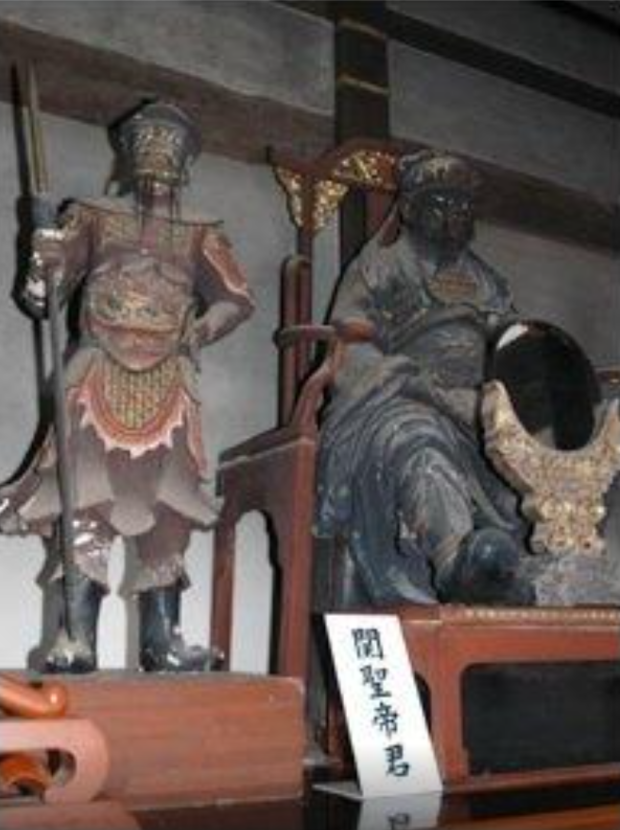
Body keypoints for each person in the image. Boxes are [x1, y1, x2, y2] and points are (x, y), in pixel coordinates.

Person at [0, 101, 254, 672]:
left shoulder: (201, 231)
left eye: (169, 156)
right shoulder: (91, 215)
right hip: (96, 369)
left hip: (171, 379)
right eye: (148, 152)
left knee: (170, 504)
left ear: (184, 165)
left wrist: (200, 328)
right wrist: (42, 263)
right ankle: (76, 635)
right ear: (128, 160)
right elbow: (44, 297)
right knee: (83, 497)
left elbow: (236, 299)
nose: (157, 170)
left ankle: (162, 640)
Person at [316, 149, 535, 607]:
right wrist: (423, 387)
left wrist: (497, 397)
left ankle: (527, 570)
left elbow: (516, 349)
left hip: (479, 407)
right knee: (418, 438)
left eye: (462, 206)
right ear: (410, 209)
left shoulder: (487, 280)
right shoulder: (380, 266)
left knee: (535, 452)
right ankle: (454, 561)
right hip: (402, 394)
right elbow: (351, 346)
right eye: (439, 204)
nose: (453, 215)